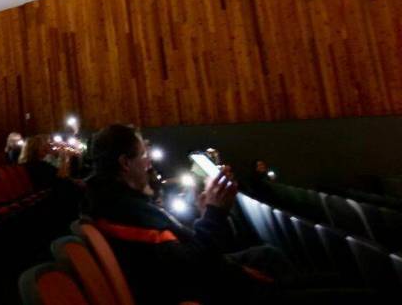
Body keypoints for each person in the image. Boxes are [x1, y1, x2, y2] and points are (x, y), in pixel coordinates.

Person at [82, 124, 369, 305]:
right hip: (222, 292)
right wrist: (214, 214)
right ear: (124, 163)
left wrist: (203, 211)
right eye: (144, 153)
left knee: (282, 259)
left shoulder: (123, 204)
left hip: (225, 281)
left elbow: (181, 250)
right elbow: (193, 268)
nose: (148, 163)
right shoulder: (127, 213)